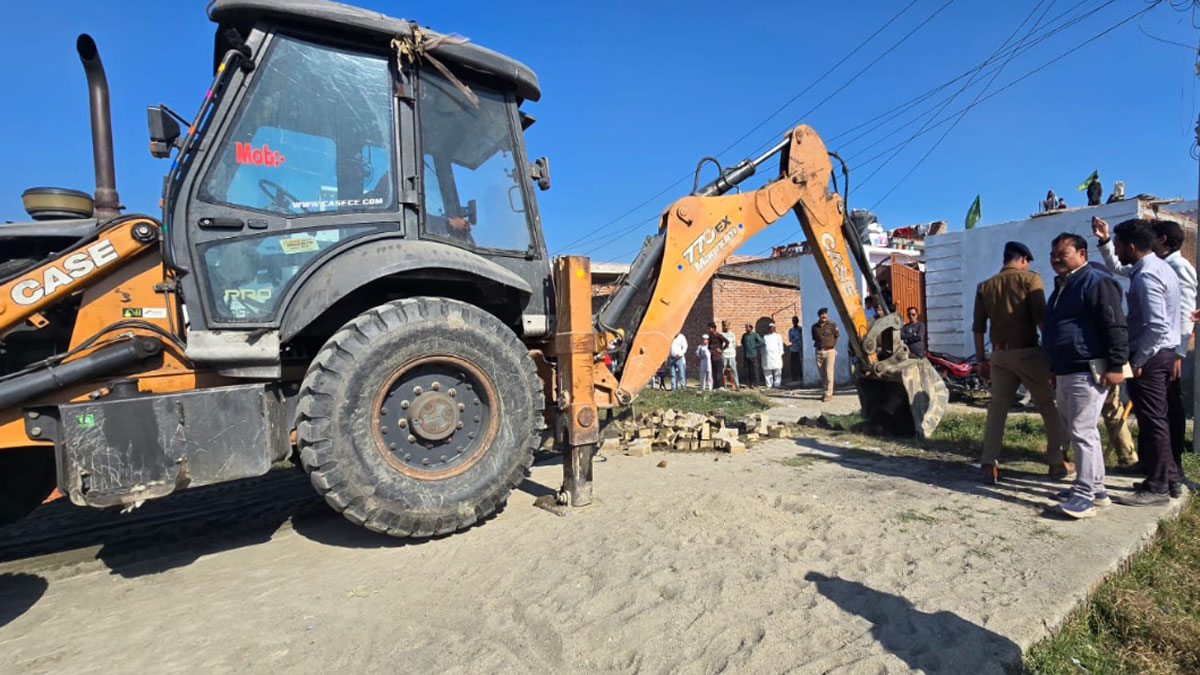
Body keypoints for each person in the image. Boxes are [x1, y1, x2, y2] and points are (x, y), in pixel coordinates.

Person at [1094, 216, 1196, 491]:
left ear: (1130, 246)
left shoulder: (1149, 274)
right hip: (1157, 353)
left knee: (1154, 421)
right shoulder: (1151, 267)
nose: (1116, 251)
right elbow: (1115, 266)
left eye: (1117, 245)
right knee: (1154, 419)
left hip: (1152, 355)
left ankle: (1159, 484)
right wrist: (1103, 240)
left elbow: (1156, 325)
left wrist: (1139, 360)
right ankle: (1168, 477)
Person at [1043, 233, 1128, 518]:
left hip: (1086, 368)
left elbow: (1114, 323)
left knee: (1083, 432)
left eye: (1061, 253)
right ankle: (1098, 488)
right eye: (1052, 254)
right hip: (1066, 369)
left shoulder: (1095, 281)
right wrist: (1053, 367)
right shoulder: (1062, 287)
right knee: (1077, 430)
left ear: (1082, 253)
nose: (1055, 259)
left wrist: (1116, 365)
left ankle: (1084, 496)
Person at [972, 241, 1071, 484]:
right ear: (1024, 259)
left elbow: (977, 328)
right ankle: (1056, 462)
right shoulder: (1030, 279)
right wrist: (1052, 357)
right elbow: (1042, 321)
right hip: (1027, 352)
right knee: (1047, 407)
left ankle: (988, 464)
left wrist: (981, 360)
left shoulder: (985, 286)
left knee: (997, 410)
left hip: (999, 355)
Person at [811, 308, 840, 402]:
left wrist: (831, 345)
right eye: (822, 314)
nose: (824, 316)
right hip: (819, 351)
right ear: (819, 316)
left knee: (829, 373)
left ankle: (829, 393)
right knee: (822, 373)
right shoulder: (814, 327)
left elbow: (837, 336)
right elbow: (815, 338)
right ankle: (825, 391)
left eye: (825, 314)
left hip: (830, 351)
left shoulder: (832, 325)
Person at [704, 322, 728, 389]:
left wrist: (721, 349)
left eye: (709, 328)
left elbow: (727, 342)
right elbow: (709, 346)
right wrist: (710, 350)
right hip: (713, 356)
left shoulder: (718, 335)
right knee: (714, 372)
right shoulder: (710, 337)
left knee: (719, 372)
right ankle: (715, 386)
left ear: (713, 328)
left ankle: (721, 386)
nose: (708, 330)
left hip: (718, 357)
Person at [762, 322, 785, 388]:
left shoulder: (778, 336)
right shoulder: (765, 337)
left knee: (777, 370)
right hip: (767, 356)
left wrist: (780, 353)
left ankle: (777, 384)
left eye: (773, 328)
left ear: (774, 329)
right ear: (768, 329)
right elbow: (763, 347)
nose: (771, 329)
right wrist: (763, 354)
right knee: (767, 370)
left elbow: (780, 346)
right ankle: (769, 384)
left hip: (776, 355)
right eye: (770, 328)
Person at [741, 323, 764, 388]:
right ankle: (749, 383)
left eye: (747, 327)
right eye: (746, 327)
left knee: (755, 370)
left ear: (751, 328)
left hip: (753, 354)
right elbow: (742, 342)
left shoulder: (755, 335)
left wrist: (754, 346)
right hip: (746, 355)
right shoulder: (744, 335)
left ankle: (756, 383)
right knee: (747, 370)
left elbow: (761, 342)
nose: (746, 329)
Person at [719, 320, 739, 389]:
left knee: (734, 370)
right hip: (724, 355)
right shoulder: (720, 334)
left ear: (729, 326)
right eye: (725, 325)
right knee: (722, 370)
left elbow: (735, 344)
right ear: (723, 326)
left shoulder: (732, 334)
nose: (726, 327)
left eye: (727, 325)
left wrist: (734, 353)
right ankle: (721, 385)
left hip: (732, 355)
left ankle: (737, 385)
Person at [787, 316, 803, 385]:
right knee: (793, 364)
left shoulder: (801, 329)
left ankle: (801, 376)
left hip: (800, 349)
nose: (794, 322)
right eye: (793, 320)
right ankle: (794, 377)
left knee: (800, 364)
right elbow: (790, 339)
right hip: (794, 349)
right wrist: (796, 338)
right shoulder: (791, 330)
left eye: (796, 320)